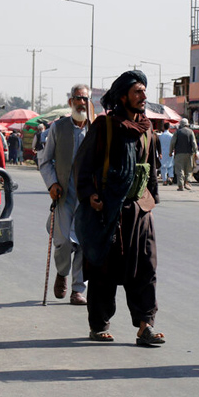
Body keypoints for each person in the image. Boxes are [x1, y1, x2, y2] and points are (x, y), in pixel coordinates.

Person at [74, 70, 164, 346]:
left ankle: (145, 325)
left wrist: (152, 200)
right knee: (104, 270)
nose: (144, 96)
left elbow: (151, 170)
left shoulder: (148, 129)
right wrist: (89, 195)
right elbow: (83, 165)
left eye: (145, 91)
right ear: (123, 96)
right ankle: (99, 325)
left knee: (145, 268)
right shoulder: (106, 126)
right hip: (109, 212)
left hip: (139, 212)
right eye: (138, 91)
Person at [38, 84, 92, 306]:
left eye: (85, 99)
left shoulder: (95, 129)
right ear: (71, 102)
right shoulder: (58, 128)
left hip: (87, 196)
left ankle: (78, 290)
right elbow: (45, 160)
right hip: (63, 195)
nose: (81, 102)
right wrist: (52, 183)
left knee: (84, 244)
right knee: (63, 243)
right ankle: (62, 273)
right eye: (78, 98)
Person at [170, 118, 197, 191]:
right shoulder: (191, 132)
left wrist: (170, 151)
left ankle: (180, 185)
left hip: (179, 154)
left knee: (180, 169)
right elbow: (194, 143)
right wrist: (196, 152)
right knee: (189, 169)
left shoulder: (177, 132)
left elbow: (172, 143)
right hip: (189, 153)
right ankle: (187, 183)